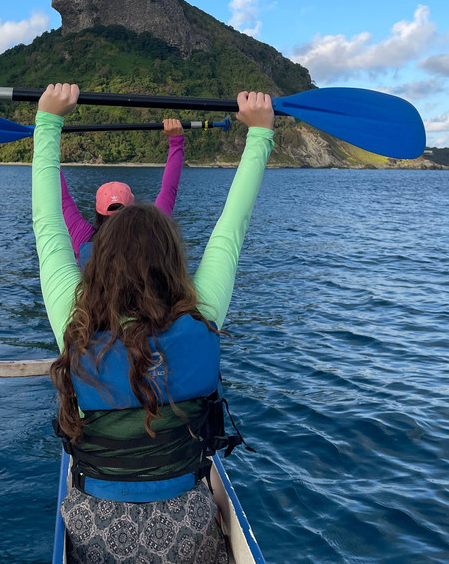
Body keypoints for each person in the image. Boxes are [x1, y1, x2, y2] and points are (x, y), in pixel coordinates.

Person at [32, 83, 274, 563]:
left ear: (98, 261)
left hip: (96, 529)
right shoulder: (201, 316)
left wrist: (47, 123)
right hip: (188, 528)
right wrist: (261, 133)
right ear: (171, 262)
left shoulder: (73, 324)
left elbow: (48, 222)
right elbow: (232, 228)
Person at [61, 118, 185, 268]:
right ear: (133, 209)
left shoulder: (84, 237)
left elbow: (63, 198)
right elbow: (168, 191)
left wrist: (48, 139)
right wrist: (176, 140)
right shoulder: (153, 230)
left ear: (98, 211)